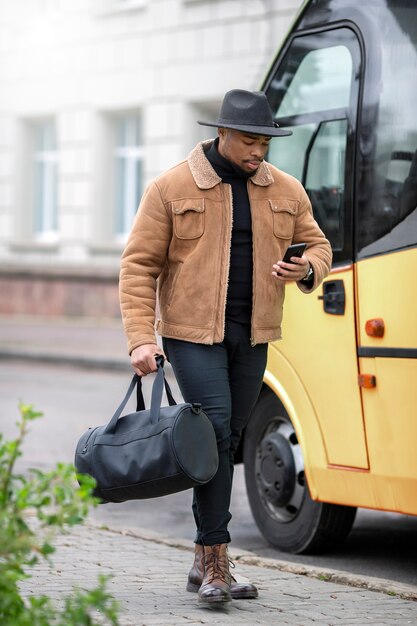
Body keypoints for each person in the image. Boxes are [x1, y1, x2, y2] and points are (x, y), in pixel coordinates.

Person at [119, 89, 332, 605]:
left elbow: (321, 246)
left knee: (227, 441)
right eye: (249, 141)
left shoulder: (285, 188)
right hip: (192, 336)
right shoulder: (172, 187)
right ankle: (217, 562)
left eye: (265, 142)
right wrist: (141, 339)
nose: (259, 151)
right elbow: (138, 266)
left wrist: (305, 268)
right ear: (222, 134)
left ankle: (201, 560)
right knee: (213, 430)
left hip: (254, 333)